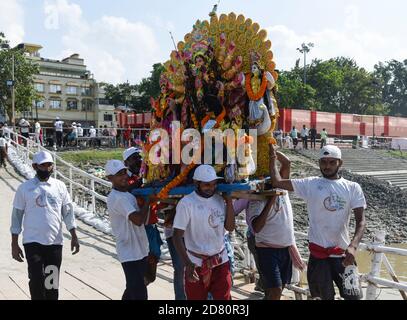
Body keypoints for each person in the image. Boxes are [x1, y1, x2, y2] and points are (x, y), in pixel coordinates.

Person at [268, 144, 366, 300]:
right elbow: (277, 182)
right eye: (323, 162)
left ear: (340, 163)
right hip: (318, 256)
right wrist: (273, 157)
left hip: (343, 256)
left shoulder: (353, 188)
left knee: (354, 297)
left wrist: (353, 246)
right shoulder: (310, 184)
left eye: (332, 162)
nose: (327, 166)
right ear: (319, 162)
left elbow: (361, 221)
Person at [10, 151, 80, 300]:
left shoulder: (59, 186)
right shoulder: (25, 188)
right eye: (43, 165)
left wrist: (74, 234)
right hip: (32, 242)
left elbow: (67, 212)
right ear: (35, 166)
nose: (47, 168)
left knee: (51, 284)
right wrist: (14, 244)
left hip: (54, 243)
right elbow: (16, 217)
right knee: (36, 281)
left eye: (49, 165)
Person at [247, 151, 305, 300]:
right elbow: (257, 228)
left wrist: (271, 151)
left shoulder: (282, 188)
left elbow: (287, 163)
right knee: (275, 291)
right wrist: (271, 199)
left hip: (285, 248)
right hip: (267, 250)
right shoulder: (256, 200)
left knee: (279, 289)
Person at [173, 165, 236, 300]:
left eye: (214, 184)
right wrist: (188, 264)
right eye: (207, 184)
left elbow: (230, 228)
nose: (211, 188)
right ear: (196, 183)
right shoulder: (186, 203)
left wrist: (229, 201)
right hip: (195, 263)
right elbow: (176, 236)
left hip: (220, 260)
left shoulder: (219, 200)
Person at [105, 160, 151, 300]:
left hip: (139, 251)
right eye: (119, 174)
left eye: (124, 172)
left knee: (132, 290)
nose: (124, 176)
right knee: (139, 294)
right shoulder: (118, 198)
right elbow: (138, 220)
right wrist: (149, 200)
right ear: (110, 178)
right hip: (130, 253)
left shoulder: (126, 194)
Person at [123, 147, 163, 286]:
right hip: (139, 228)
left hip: (150, 225)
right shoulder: (125, 180)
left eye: (140, 157)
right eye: (134, 157)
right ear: (126, 162)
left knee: (152, 268)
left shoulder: (143, 176)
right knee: (143, 271)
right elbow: (127, 190)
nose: (138, 160)